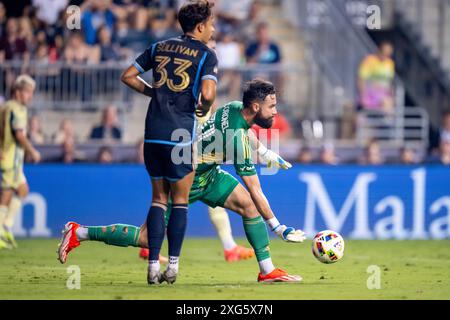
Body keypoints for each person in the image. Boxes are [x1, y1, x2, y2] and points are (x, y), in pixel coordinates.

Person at [58, 79, 305, 284]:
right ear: (254, 106)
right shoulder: (236, 141)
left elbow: (247, 130)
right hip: (181, 178)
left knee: (248, 207)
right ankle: (79, 232)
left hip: (207, 174)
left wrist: (264, 153)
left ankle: (267, 270)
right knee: (146, 239)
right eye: (272, 106)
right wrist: (278, 228)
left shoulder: (234, 107)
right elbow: (256, 189)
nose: (276, 111)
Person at [119, 0, 218, 285]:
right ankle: (172, 267)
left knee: (158, 199)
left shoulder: (159, 46)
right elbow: (209, 93)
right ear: (200, 26)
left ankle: (151, 267)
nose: (212, 29)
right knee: (180, 201)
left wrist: (154, 93)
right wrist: (203, 104)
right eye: (210, 24)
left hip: (152, 131)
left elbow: (127, 76)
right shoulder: (206, 55)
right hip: (180, 134)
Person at [0, 75, 41, 250]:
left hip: (13, 158)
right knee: (8, 191)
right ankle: (1, 228)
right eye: (28, 92)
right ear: (18, 92)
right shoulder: (16, 109)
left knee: (23, 190)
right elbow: (19, 135)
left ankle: (7, 224)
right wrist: (32, 150)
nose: (30, 96)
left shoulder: (7, 107)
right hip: (10, 158)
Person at [357, 41, 395, 114]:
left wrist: (392, 95)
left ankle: (386, 123)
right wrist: (362, 96)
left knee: (389, 105)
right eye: (385, 52)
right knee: (386, 104)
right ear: (380, 50)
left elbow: (389, 81)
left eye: (389, 53)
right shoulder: (370, 60)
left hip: (384, 93)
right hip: (370, 93)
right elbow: (361, 79)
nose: (386, 55)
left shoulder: (389, 63)